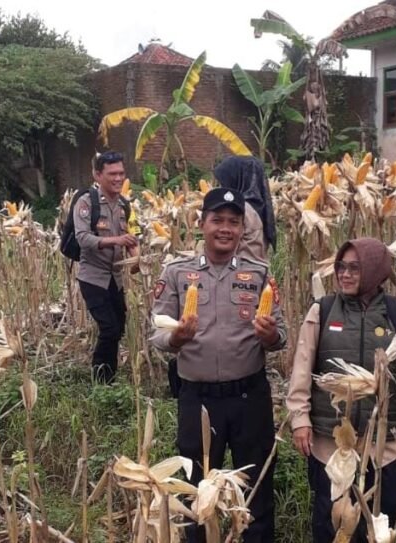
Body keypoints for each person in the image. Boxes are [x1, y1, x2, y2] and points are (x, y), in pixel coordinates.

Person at [150, 188, 287, 542]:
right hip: (198, 398)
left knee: (255, 486)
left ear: (242, 229)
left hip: (248, 397)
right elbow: (157, 333)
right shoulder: (178, 272)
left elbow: (282, 335)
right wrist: (177, 338)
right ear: (202, 224)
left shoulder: (259, 274)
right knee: (197, 485)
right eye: (218, 220)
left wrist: (270, 335)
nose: (225, 229)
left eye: (234, 222)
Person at [286, 238, 396, 543]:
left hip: (385, 448)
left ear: (376, 271)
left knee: (380, 526)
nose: (345, 274)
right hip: (332, 446)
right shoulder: (322, 310)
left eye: (355, 267)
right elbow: (301, 369)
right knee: (331, 526)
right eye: (341, 267)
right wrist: (300, 418)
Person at [75, 151, 138, 384]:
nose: (118, 178)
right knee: (109, 328)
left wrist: (136, 257)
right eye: (112, 174)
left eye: (121, 173)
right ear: (98, 175)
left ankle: (109, 373)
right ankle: (101, 381)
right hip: (93, 277)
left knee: (118, 327)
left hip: (116, 277)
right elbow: (83, 238)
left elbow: (133, 234)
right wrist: (116, 241)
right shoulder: (86, 202)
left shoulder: (124, 205)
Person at [213, 156, 276, 262]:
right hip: (257, 269)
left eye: (223, 182)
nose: (220, 187)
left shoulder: (240, 209)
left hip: (240, 271)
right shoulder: (259, 207)